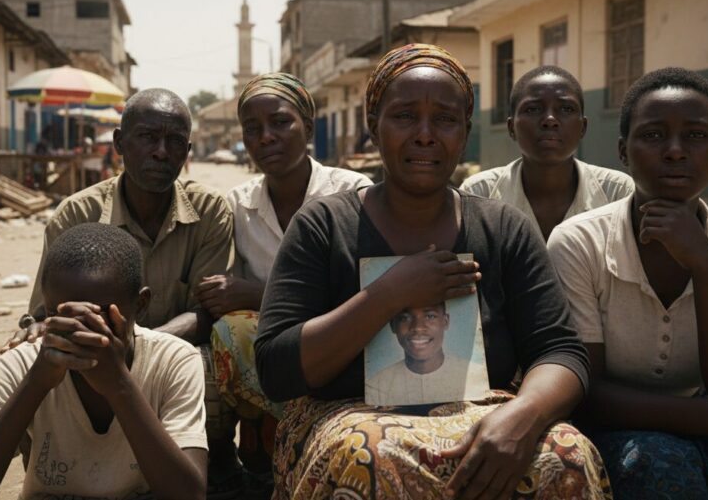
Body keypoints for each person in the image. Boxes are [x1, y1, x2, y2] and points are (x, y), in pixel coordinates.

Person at [254, 44, 610, 499]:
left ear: (465, 132)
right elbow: (276, 369)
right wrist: (388, 295)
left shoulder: (503, 228)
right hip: (345, 419)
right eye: (405, 116)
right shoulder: (324, 226)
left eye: (445, 119)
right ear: (373, 127)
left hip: (485, 416)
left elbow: (560, 351)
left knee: (568, 455)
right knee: (370, 456)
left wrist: (525, 414)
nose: (425, 135)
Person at [547, 67, 708, 499]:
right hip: (611, 430)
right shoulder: (579, 242)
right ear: (623, 151)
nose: (675, 151)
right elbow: (584, 393)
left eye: (696, 136)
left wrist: (705, 263)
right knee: (658, 464)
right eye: (652, 135)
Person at [1, 88, 243, 498]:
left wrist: (134, 352)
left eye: (175, 142)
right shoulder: (78, 214)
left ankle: (215, 460)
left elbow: (207, 311)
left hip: (175, 351)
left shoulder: (209, 211)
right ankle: (53, 476)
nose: (161, 152)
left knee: (213, 363)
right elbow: (46, 314)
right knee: (28, 361)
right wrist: (60, 337)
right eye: (147, 137)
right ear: (119, 143)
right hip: (89, 348)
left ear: (187, 151)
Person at [0, 223, 207, 500]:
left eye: (97, 316)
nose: (78, 330)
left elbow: (189, 494)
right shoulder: (22, 363)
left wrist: (119, 385)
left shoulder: (172, 360)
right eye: (61, 315)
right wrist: (36, 383)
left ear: (140, 304)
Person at [199, 72, 370, 481]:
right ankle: (255, 443)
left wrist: (257, 294)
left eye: (280, 122)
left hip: (342, 340)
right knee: (227, 334)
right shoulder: (238, 206)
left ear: (307, 128)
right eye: (252, 128)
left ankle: (281, 437)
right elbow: (223, 297)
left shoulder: (353, 192)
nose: (266, 138)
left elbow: (366, 293)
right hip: (277, 354)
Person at [461, 65, 633, 239]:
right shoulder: (478, 194)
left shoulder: (617, 192)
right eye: (533, 109)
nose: (550, 120)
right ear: (512, 127)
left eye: (566, 109)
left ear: (583, 127)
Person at [368, 302, 487, 406]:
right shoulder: (377, 386)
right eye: (404, 318)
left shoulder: (475, 376)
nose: (418, 327)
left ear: (445, 321)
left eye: (430, 316)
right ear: (393, 325)